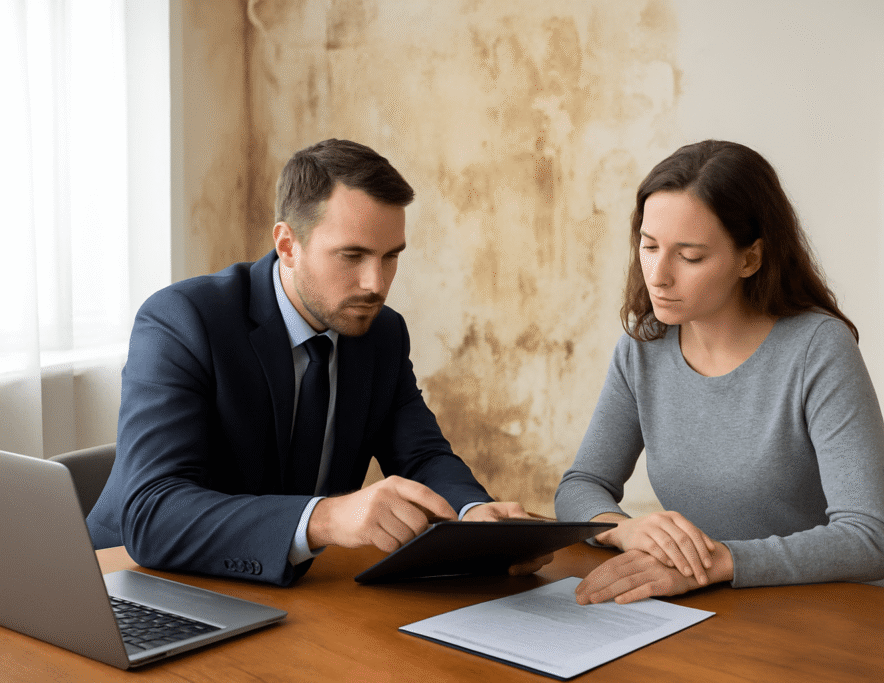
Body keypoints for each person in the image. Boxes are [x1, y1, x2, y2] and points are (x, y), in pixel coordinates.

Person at [88, 138, 546, 586]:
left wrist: (473, 515)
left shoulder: (381, 334)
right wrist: (326, 518)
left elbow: (421, 455)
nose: (376, 283)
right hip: (130, 580)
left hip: (295, 590)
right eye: (353, 255)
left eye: (390, 257)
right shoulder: (183, 321)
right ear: (288, 244)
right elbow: (153, 513)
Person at [555, 140, 884, 605]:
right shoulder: (643, 349)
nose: (658, 275)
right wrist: (623, 530)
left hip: (828, 612)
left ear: (750, 258)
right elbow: (581, 486)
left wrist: (718, 562)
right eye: (649, 246)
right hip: (714, 606)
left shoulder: (819, 348)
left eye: (690, 256)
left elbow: (869, 539)